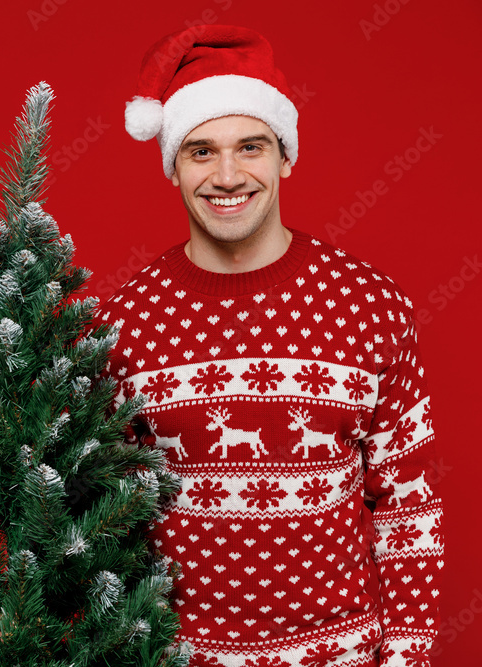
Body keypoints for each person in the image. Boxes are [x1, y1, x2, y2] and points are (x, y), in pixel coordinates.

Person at [98, 25, 443, 667]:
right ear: (172, 166)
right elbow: (95, 522)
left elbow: (409, 507)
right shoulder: (124, 322)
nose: (227, 175)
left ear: (285, 156)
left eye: (250, 147)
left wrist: (408, 659)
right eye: (200, 152)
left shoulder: (370, 304)